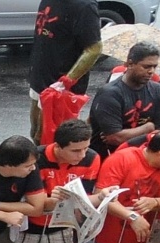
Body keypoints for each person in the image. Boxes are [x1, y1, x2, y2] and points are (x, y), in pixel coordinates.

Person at [27, 0, 102, 139]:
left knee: (54, 140)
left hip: (61, 87)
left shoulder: (85, 6)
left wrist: (68, 80)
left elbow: (94, 49)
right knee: (35, 133)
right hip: (40, 77)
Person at [88, 45, 160, 153]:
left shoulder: (157, 90)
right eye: (146, 67)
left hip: (143, 156)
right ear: (130, 64)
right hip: (110, 157)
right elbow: (115, 138)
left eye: (154, 67)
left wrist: (126, 135)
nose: (151, 71)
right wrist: (149, 128)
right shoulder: (110, 94)